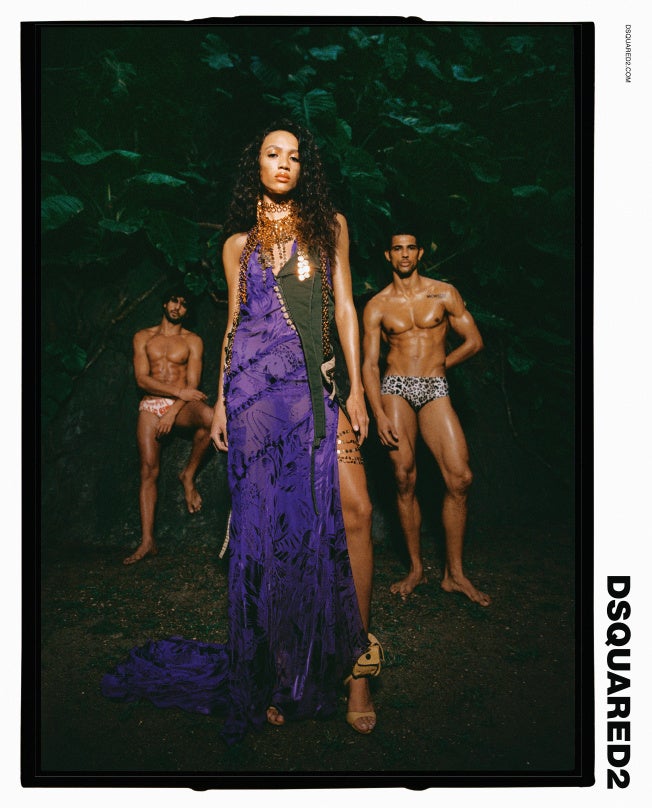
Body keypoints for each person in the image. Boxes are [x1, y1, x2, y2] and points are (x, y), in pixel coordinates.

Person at [102, 121, 381, 744]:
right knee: (273, 534)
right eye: (272, 154)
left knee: (356, 511)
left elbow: (343, 307)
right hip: (255, 396)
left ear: (304, 169)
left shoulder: (329, 225)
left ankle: (357, 669)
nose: (283, 164)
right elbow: (234, 323)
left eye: (294, 157)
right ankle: (278, 672)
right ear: (255, 164)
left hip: (315, 387)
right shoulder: (237, 243)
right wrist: (224, 400)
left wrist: (358, 388)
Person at [362, 230, 490, 606]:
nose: (404, 254)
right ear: (388, 255)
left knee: (460, 477)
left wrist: (440, 365)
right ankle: (416, 569)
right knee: (404, 478)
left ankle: (455, 574)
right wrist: (379, 412)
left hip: (434, 387)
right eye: (397, 249)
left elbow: (474, 341)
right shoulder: (378, 304)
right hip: (395, 388)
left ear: (419, 253)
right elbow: (369, 365)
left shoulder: (443, 293)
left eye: (410, 248)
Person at [123, 289, 214, 565]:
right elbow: (142, 379)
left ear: (188, 311)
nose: (178, 307)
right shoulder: (143, 337)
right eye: (174, 300)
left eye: (184, 304)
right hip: (151, 405)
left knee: (212, 419)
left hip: (180, 406)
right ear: (165, 303)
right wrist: (176, 394)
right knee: (148, 471)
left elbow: (192, 386)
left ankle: (188, 474)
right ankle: (147, 541)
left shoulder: (192, 341)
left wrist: (172, 412)